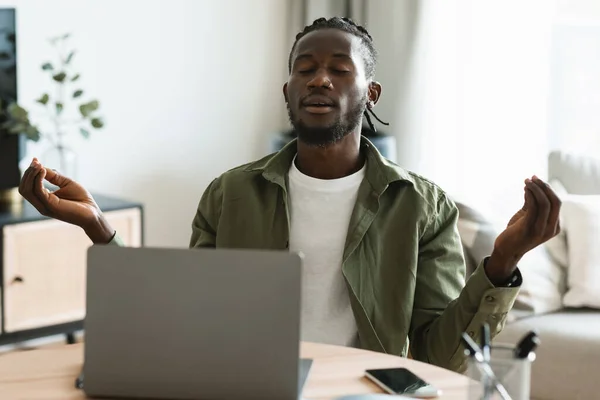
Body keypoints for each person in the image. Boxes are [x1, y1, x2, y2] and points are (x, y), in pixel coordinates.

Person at [18, 17, 561, 373]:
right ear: (288, 91)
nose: (319, 80)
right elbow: (187, 322)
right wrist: (98, 228)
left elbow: (443, 357)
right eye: (305, 70)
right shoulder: (230, 194)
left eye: (338, 70)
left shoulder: (422, 206)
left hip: (361, 392)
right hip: (247, 388)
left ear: (369, 93)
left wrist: (503, 261)